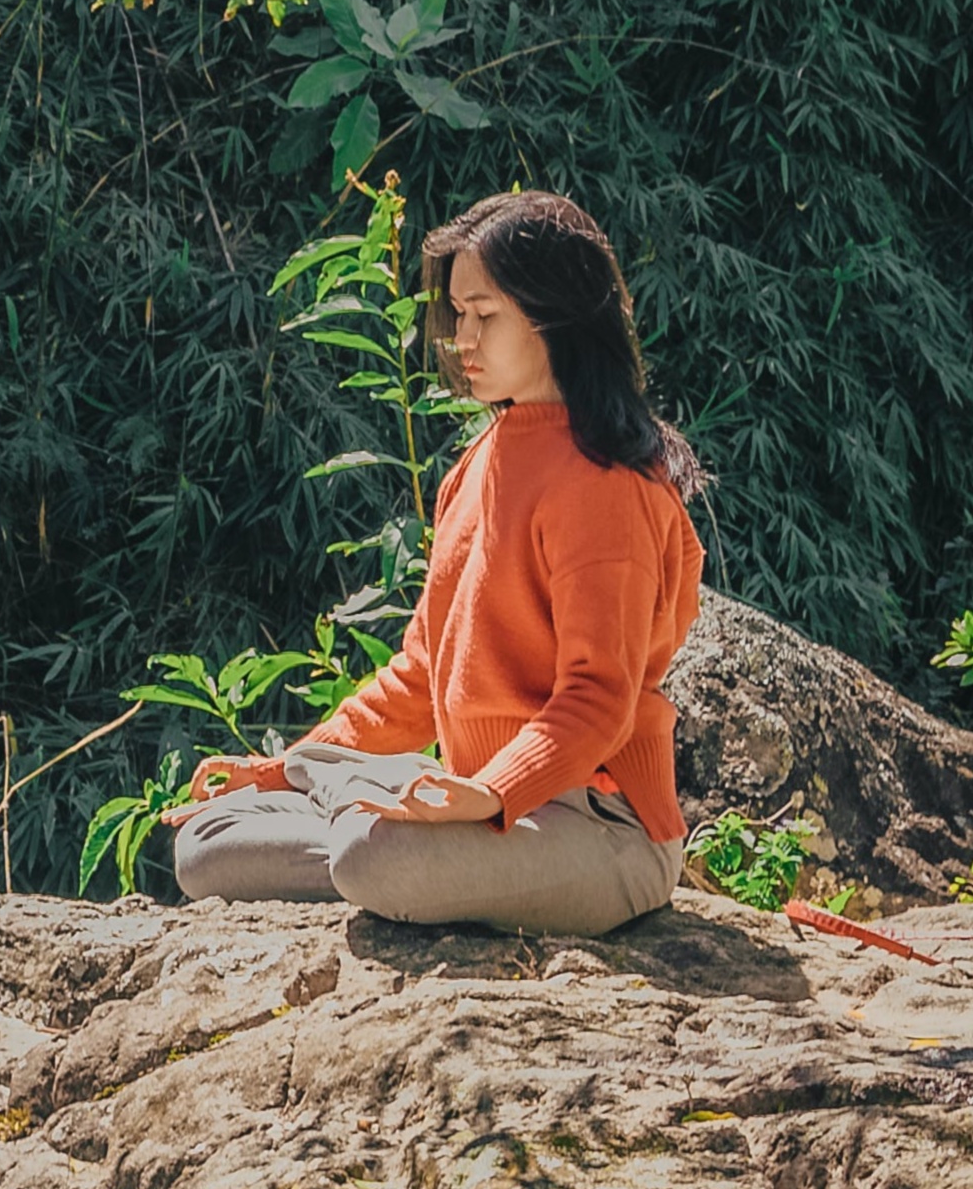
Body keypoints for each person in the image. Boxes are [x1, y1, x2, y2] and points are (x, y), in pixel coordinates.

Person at [167, 189, 707, 938]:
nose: (461, 338)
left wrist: (488, 793)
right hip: (472, 806)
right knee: (206, 842)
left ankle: (388, 846)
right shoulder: (479, 463)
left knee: (369, 853)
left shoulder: (605, 485)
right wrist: (284, 764)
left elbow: (597, 699)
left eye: (484, 315)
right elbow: (420, 676)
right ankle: (379, 833)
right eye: (456, 314)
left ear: (554, 315)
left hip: (602, 826)